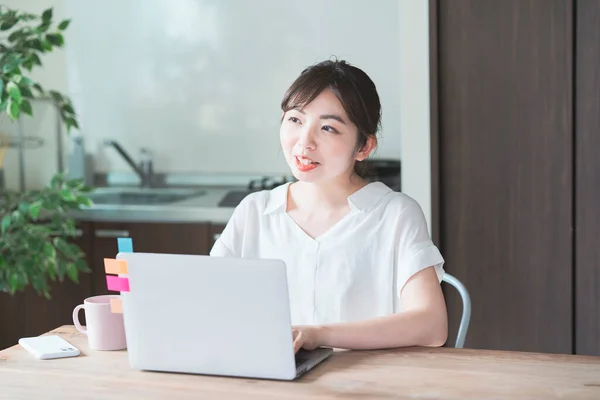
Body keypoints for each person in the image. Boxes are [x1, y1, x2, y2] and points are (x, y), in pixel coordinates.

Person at [210, 59, 447, 352]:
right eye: (295, 120)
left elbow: (432, 326)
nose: (304, 142)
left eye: (328, 128)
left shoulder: (395, 214)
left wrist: (317, 335)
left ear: (364, 147)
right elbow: (209, 302)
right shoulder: (255, 211)